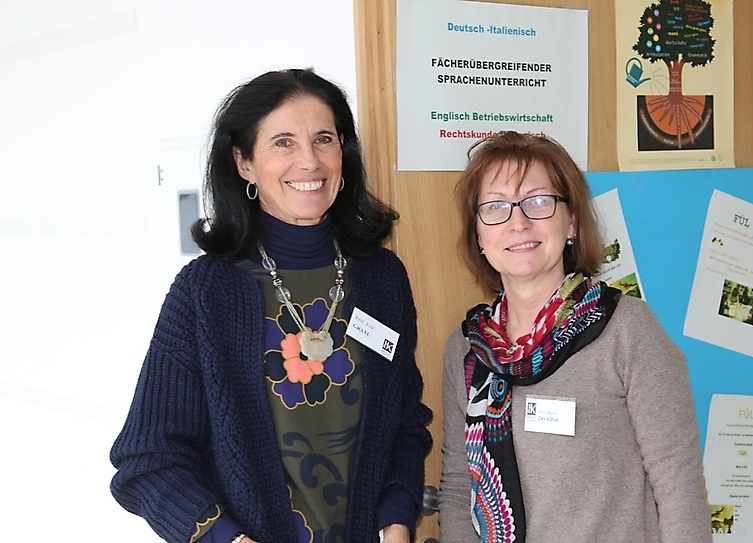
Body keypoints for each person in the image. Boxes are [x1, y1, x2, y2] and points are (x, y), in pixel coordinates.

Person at [110, 68, 433, 543]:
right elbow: (147, 460)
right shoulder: (205, 292)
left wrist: (397, 523)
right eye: (283, 142)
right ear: (244, 163)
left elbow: (404, 424)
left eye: (324, 139)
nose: (309, 161)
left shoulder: (382, 279)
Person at [438, 132, 710, 543]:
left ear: (572, 222)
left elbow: (679, 486)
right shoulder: (468, 350)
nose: (518, 222)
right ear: (478, 235)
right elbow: (460, 489)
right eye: (496, 206)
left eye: (538, 201)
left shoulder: (628, 330)